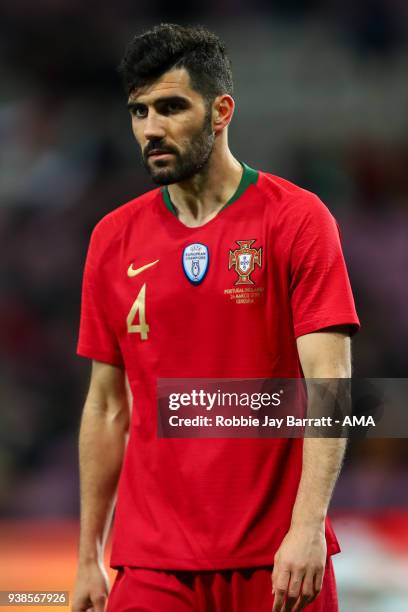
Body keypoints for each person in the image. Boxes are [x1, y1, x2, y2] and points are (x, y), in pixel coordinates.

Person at [72, 23, 359, 612]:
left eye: (171, 107)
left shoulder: (298, 221)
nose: (151, 129)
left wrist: (307, 528)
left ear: (221, 110)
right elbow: (106, 405)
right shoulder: (111, 238)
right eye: (139, 111)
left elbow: (329, 388)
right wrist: (86, 558)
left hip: (278, 557)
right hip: (153, 562)